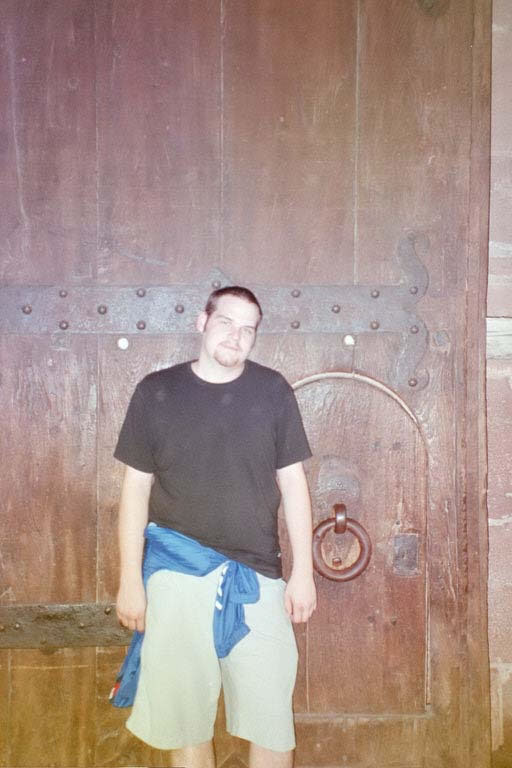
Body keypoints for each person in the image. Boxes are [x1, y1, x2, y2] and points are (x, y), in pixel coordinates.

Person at [114, 285, 316, 768]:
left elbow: (294, 485)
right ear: (202, 322)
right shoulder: (156, 392)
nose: (236, 336)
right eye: (226, 322)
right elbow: (135, 490)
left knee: (271, 721)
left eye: (248, 329)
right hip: (176, 573)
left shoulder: (272, 391)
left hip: (258, 578)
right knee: (186, 723)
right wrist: (129, 580)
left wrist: (304, 573)